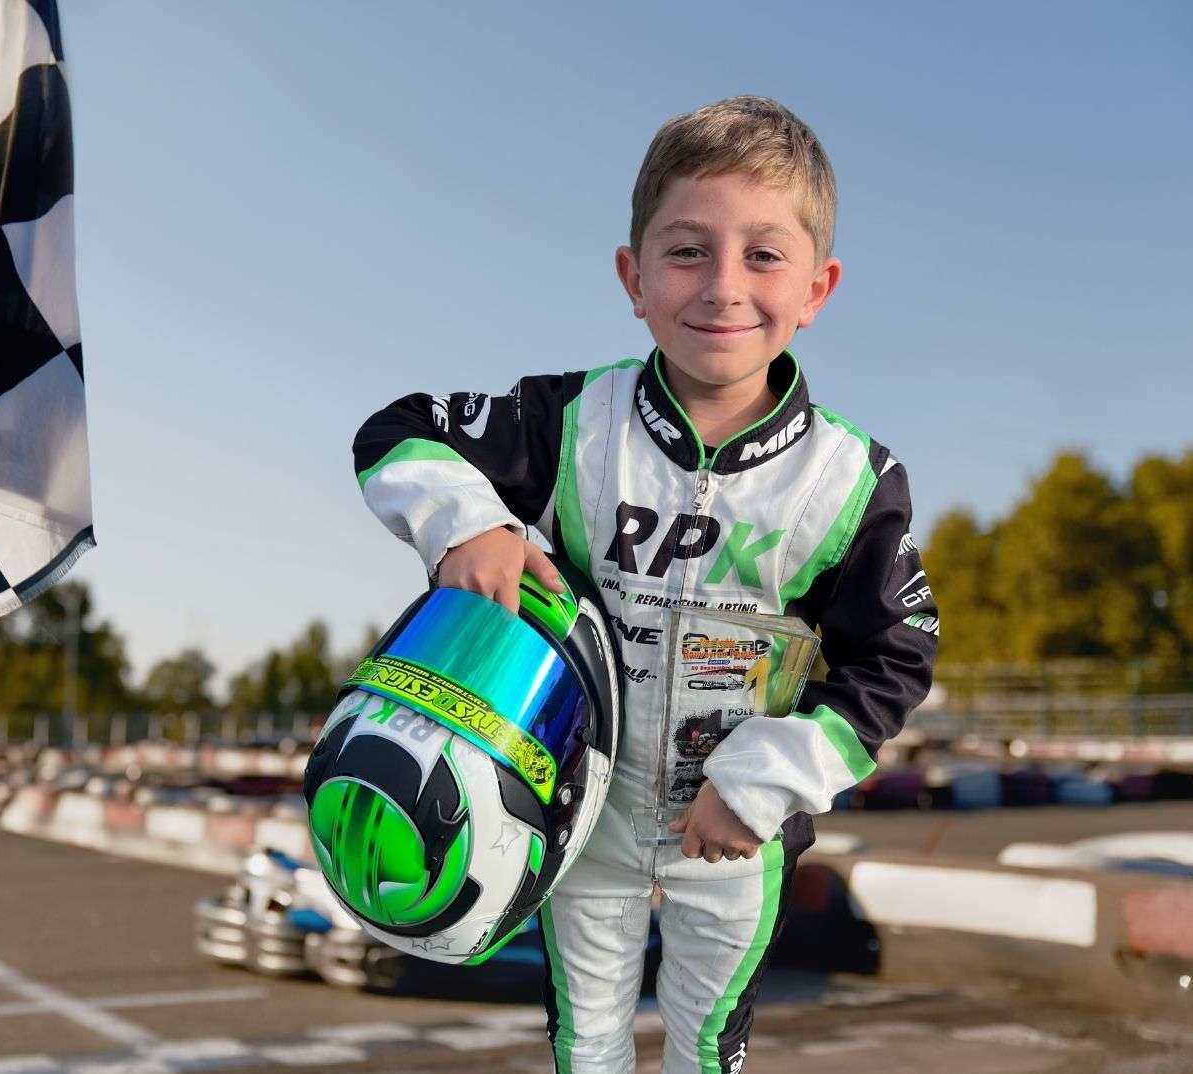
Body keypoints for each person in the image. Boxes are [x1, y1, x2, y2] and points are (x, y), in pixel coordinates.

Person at [350, 95, 937, 1074]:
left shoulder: (849, 480)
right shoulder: (575, 418)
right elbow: (397, 430)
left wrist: (759, 786)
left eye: (762, 255)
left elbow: (895, 658)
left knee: (704, 1049)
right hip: (578, 809)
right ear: (631, 276)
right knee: (587, 1046)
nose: (720, 287)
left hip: (734, 831)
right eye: (684, 251)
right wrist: (472, 522)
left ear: (816, 288)